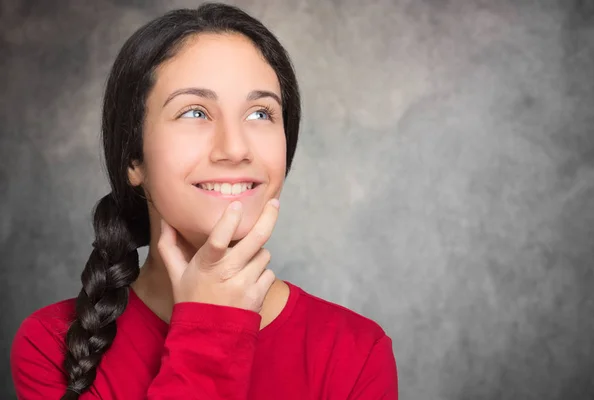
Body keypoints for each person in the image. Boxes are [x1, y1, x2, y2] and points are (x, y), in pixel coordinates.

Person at [10, 3, 398, 399]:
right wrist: (211, 327)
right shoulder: (51, 346)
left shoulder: (357, 352)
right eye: (195, 112)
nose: (234, 148)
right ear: (133, 159)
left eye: (261, 114)